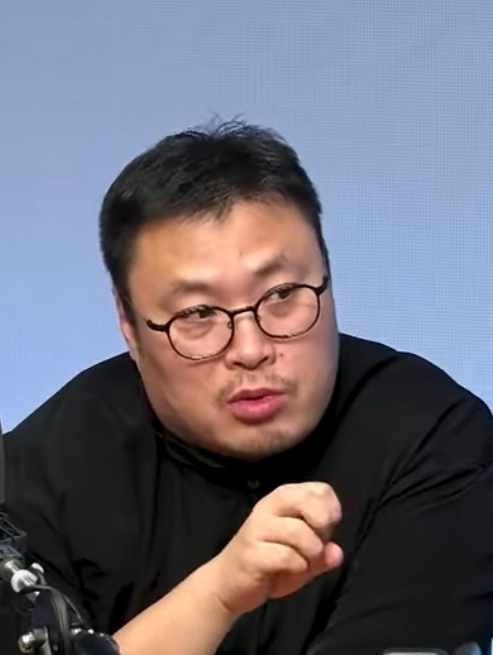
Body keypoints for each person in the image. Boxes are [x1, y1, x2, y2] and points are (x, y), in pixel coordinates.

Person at [2, 121, 493, 655]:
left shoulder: (436, 438)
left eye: (282, 294)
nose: (251, 348)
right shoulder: (38, 473)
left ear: (329, 276)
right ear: (128, 321)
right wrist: (216, 596)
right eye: (197, 313)